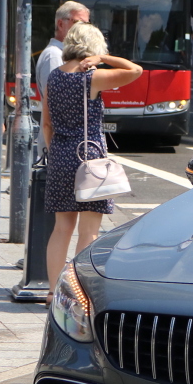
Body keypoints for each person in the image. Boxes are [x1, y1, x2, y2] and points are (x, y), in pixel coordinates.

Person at [42, 22, 143, 303]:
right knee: (90, 230)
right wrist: (103, 60)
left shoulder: (54, 77)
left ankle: (52, 291)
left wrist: (58, 152)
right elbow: (136, 71)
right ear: (93, 48)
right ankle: (75, 293)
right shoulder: (92, 78)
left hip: (61, 155)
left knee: (61, 227)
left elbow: (47, 124)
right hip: (89, 159)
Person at [35, 0, 90, 99]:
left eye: (87, 24)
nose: (84, 29)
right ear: (60, 24)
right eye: (79, 23)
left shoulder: (65, 54)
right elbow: (54, 101)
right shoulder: (54, 55)